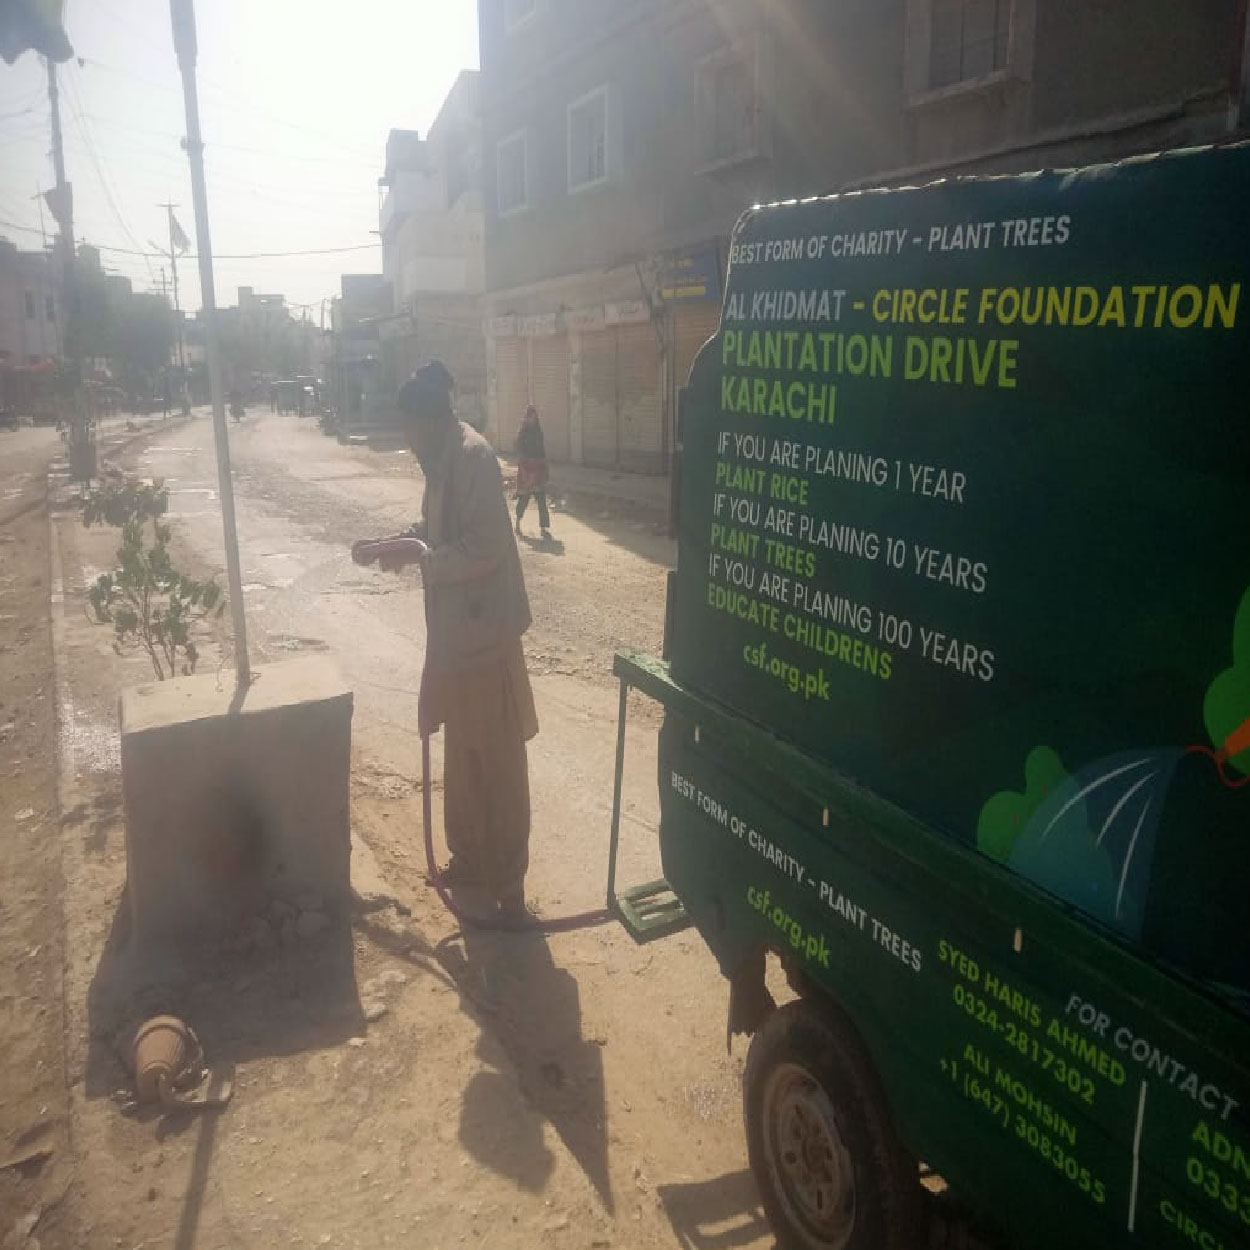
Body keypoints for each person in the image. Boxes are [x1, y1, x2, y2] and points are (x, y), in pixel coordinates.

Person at [351, 361, 537, 921]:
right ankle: (471, 859)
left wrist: (424, 558)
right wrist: (395, 544)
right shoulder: (439, 460)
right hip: (457, 643)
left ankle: (508, 886)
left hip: (487, 640)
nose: (407, 442)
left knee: (497, 766)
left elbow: (483, 549)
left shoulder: (475, 458)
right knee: (462, 760)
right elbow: (435, 535)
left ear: (434, 420)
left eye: (412, 429)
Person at [514, 404, 552, 540]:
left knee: (541, 498)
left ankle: (543, 527)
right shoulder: (523, 432)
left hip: (539, 467)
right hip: (526, 468)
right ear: (527, 417)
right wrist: (524, 467)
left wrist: (544, 465)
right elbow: (519, 450)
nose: (533, 419)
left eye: (535, 417)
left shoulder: (538, 430)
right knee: (524, 498)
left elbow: (542, 449)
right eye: (531, 416)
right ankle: (518, 523)